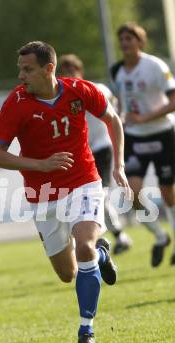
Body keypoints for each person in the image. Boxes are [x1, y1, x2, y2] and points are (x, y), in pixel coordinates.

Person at [0, 41, 129, 343]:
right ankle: (101, 257)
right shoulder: (16, 102)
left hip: (84, 182)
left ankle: (86, 332)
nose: (21, 76)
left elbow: (113, 120)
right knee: (67, 274)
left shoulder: (80, 90)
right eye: (20, 69)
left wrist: (117, 165)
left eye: (28, 69)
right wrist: (40, 165)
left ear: (49, 68)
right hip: (43, 195)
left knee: (84, 246)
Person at [110, 22, 175, 266]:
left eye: (129, 39)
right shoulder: (118, 71)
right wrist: (121, 119)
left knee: (168, 193)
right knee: (131, 194)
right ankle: (160, 235)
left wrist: (145, 117)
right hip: (135, 137)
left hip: (162, 134)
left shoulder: (155, 66)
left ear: (140, 43)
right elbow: (122, 103)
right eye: (122, 39)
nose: (125, 44)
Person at [58, 54, 132, 255]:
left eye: (72, 71)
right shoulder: (61, 95)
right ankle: (102, 238)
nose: (69, 76)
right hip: (81, 153)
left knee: (102, 196)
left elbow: (116, 114)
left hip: (101, 148)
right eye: (64, 73)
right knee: (75, 200)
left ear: (80, 72)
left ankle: (114, 235)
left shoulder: (98, 89)